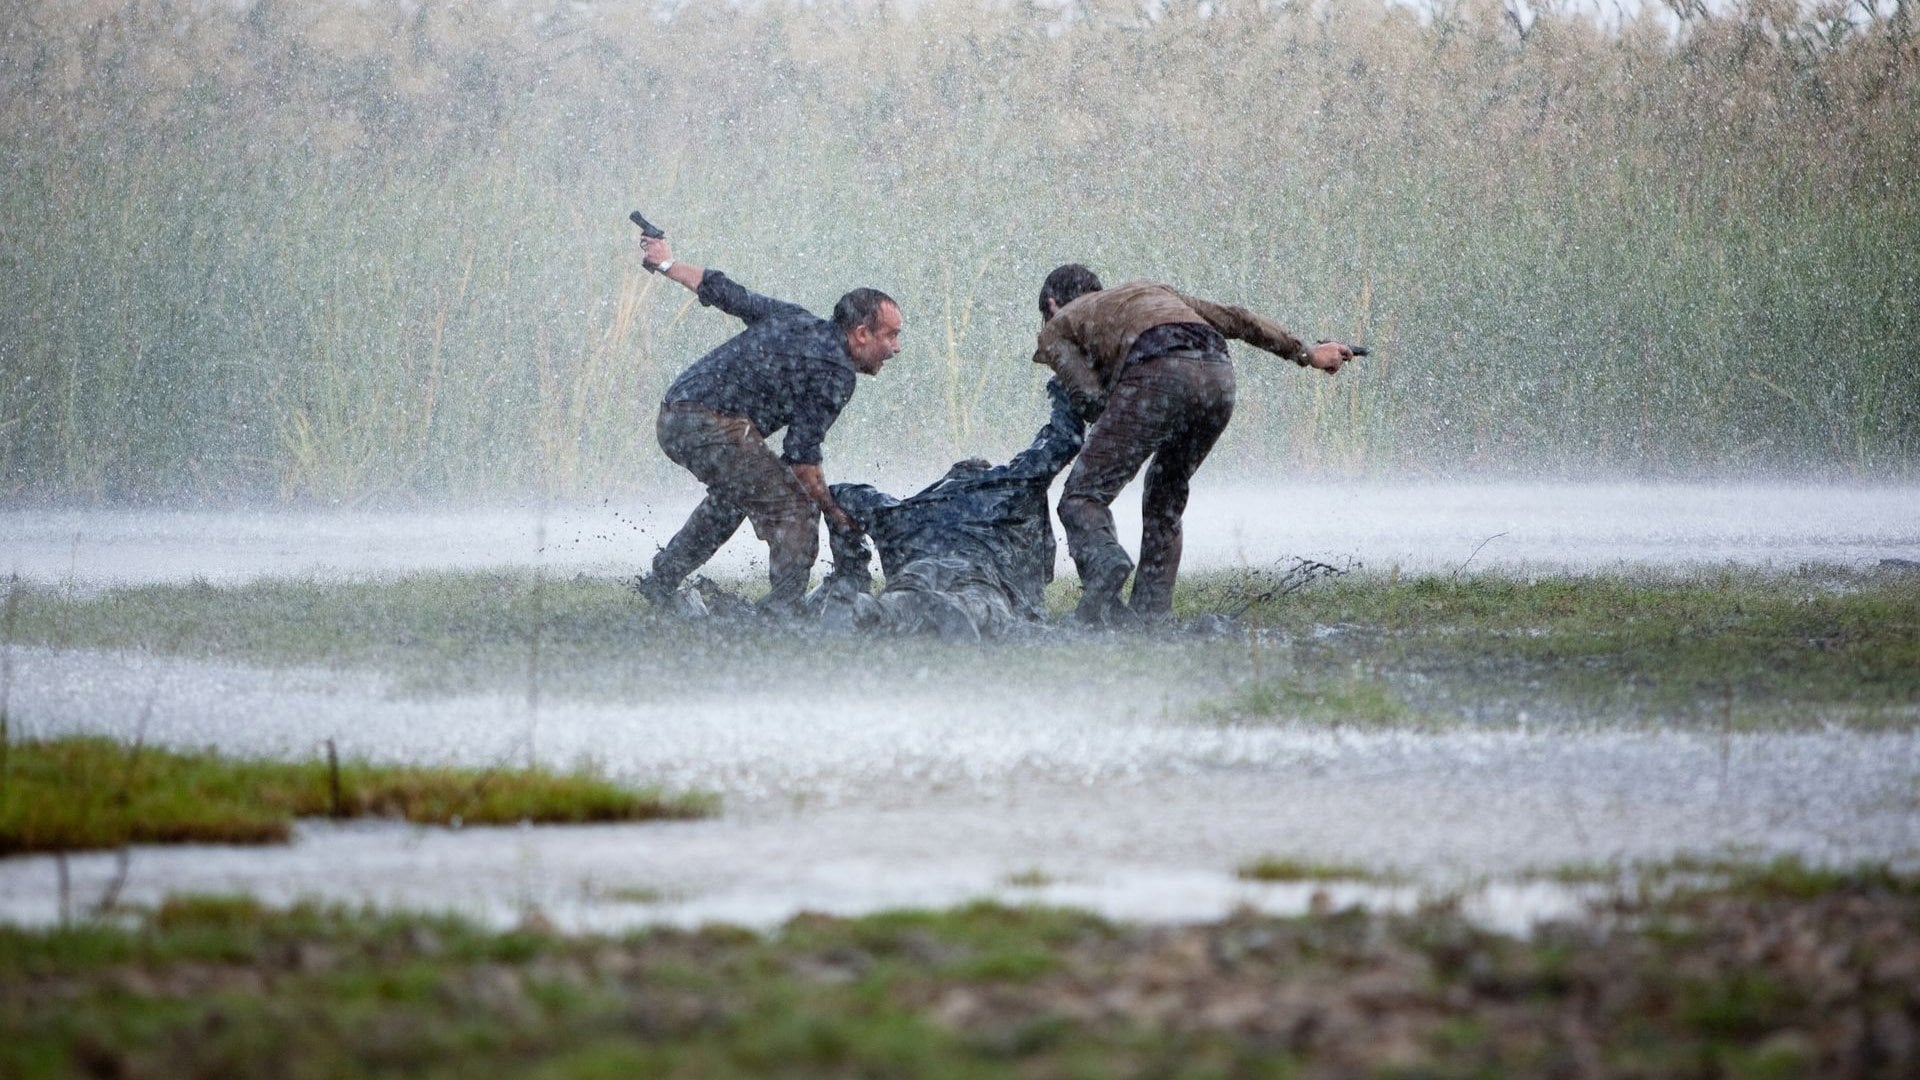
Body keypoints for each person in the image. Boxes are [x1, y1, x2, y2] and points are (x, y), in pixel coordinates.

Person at [1032, 263, 1357, 626]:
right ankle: (1151, 615)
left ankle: (1105, 569)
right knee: (1165, 497)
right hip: (1218, 378)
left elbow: (1089, 398)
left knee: (1082, 496)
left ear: (1052, 304)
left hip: (1158, 371)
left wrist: (1089, 416)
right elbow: (1239, 320)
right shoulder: (1148, 292)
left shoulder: (1058, 326)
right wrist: (1307, 353)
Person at [630, 233, 902, 616]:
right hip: (710, 422)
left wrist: (666, 263)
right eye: (890, 335)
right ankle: (781, 615)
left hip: (674, 413)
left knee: (731, 501)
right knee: (795, 509)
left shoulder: (794, 319)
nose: (896, 348)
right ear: (861, 334)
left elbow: (727, 293)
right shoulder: (837, 371)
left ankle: (661, 583)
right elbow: (801, 458)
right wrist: (834, 512)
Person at [809, 378, 1084, 640]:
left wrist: (852, 571)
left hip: (920, 565)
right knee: (982, 603)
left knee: (900, 601)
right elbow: (1064, 439)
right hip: (975, 569)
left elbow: (841, 494)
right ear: (985, 473)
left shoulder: (905, 511)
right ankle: (958, 607)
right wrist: (1063, 381)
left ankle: (862, 607)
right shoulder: (1009, 487)